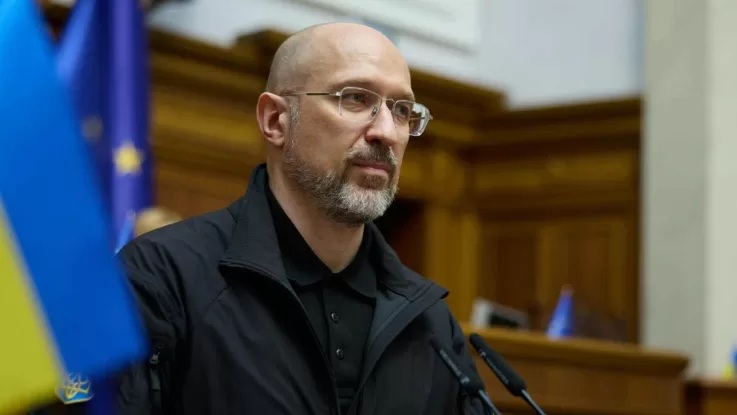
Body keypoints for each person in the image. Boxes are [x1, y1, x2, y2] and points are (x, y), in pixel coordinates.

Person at [116, 22, 487, 415]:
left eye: (402, 111)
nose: (387, 132)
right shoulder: (162, 277)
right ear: (276, 120)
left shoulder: (430, 322)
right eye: (356, 98)